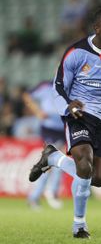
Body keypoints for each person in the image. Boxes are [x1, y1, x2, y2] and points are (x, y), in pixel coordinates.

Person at [28, 8, 101, 239]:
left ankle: (53, 157)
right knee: (84, 164)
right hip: (79, 115)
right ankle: (79, 225)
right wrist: (69, 105)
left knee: (99, 178)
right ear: (97, 28)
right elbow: (59, 86)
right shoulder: (76, 52)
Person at [23, 81, 65, 210]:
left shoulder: (70, 85)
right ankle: (48, 193)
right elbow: (27, 96)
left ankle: (37, 197)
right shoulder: (45, 86)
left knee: (55, 161)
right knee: (51, 161)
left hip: (63, 128)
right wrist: (37, 112)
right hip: (49, 127)